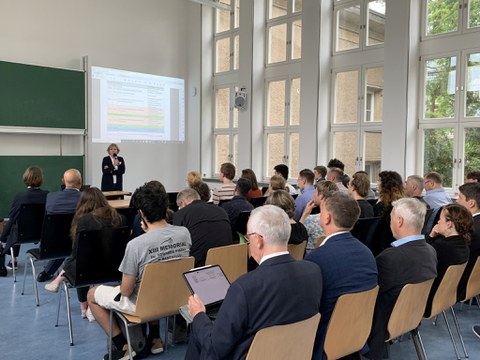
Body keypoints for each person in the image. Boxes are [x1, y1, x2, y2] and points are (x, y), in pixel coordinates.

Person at [185, 205, 322, 360]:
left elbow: (215, 349)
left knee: (200, 332)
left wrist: (198, 315)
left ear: (257, 240)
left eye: (248, 237)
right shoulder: (313, 271)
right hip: (294, 353)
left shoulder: (244, 287)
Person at [87, 182, 191, 360]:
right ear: (166, 208)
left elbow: (126, 291)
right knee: (155, 286)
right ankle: (155, 338)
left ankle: (123, 346)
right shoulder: (184, 233)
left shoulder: (136, 245)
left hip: (144, 305)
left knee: (92, 295)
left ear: (141, 214)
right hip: (174, 300)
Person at [305, 191, 377, 360]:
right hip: (357, 337)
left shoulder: (316, 259)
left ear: (327, 218)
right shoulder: (368, 254)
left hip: (323, 342)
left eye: (321, 211)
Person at [367, 198, 437, 360]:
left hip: (382, 325)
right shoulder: (430, 251)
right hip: (410, 318)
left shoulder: (390, 258)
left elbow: (369, 296)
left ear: (399, 221)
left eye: (391, 216)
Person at [44, 187, 125, 319]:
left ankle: (83, 307)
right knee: (78, 261)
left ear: (83, 202)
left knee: (76, 261)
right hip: (114, 269)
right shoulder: (120, 218)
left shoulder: (84, 221)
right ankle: (61, 280)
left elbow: (77, 252)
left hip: (87, 272)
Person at [424, 204, 471, 316]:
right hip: (446, 297)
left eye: (440, 219)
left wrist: (430, 236)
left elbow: (421, 257)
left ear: (449, 224)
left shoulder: (442, 246)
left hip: (427, 300)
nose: (438, 222)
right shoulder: (464, 245)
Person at [0, 166, 48, 275]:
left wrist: (2, 238)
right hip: (41, 234)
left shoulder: (20, 196)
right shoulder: (47, 195)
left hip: (22, 234)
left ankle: (13, 260)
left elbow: (12, 218)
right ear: (41, 179)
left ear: (26, 178)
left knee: (15, 224)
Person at [37, 168, 83, 283]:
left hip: (55, 244)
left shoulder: (51, 197)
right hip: (81, 243)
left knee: (63, 239)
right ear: (80, 183)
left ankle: (48, 272)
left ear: (63, 181)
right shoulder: (86, 199)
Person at [174, 188, 233, 267]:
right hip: (228, 264)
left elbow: (178, 246)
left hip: (197, 268)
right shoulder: (221, 211)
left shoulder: (181, 214)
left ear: (183, 203)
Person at [455, 182, 480, 301]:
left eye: (460, 198)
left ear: (471, 203)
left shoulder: (470, 229)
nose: (456, 201)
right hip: (476, 282)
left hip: (463, 283)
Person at [372, 170, 405, 255]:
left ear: (386, 185)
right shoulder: (402, 203)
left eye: (379, 180)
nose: (377, 183)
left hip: (380, 247)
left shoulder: (382, 206)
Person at [300, 181, 338, 253]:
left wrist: (305, 214)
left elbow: (297, 236)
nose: (313, 194)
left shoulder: (310, 220)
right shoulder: (339, 220)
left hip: (311, 257)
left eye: (315, 192)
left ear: (321, 196)